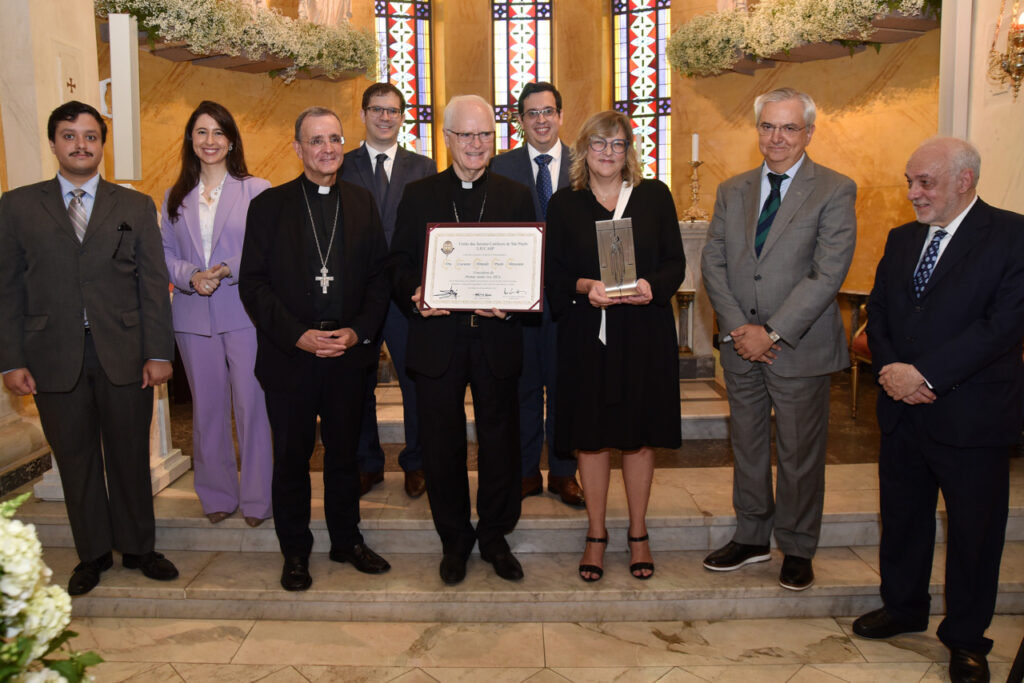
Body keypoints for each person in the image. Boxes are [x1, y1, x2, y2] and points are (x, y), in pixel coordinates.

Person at [853, 137, 1024, 683]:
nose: (912, 193)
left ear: (964, 180)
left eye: (924, 182)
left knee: (975, 534)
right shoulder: (903, 239)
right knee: (902, 519)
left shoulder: (1012, 235)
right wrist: (893, 370)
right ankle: (903, 607)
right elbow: (877, 311)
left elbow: (1002, 326)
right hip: (903, 411)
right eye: (910, 181)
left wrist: (925, 375)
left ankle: (967, 637)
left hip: (970, 414)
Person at [0, 100, 179, 595]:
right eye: (69, 135)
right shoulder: (16, 207)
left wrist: (159, 352)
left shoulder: (134, 206)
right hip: (51, 355)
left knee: (127, 456)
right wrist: (11, 359)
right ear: (54, 142)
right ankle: (93, 554)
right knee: (75, 460)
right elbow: (7, 288)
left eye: (90, 136)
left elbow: (152, 283)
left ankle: (140, 547)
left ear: (102, 144)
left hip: (123, 351)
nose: (80, 144)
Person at [700, 87, 856, 591]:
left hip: (798, 347)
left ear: (809, 132)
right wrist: (739, 330)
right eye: (768, 126)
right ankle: (751, 536)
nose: (777, 137)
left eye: (789, 127)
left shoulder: (834, 189)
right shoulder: (734, 189)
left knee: (798, 454)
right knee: (746, 446)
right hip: (741, 346)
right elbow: (714, 262)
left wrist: (772, 331)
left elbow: (826, 273)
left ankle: (796, 544)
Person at [239, 106, 392, 591]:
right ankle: (296, 551)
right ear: (298, 148)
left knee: (346, 457)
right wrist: (296, 334)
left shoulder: (362, 202)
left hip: (348, 355)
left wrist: (358, 332)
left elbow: (378, 278)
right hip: (291, 357)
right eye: (316, 140)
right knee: (291, 460)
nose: (327, 149)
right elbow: (254, 283)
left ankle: (346, 540)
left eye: (334, 139)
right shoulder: (270, 206)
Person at [390, 94, 534, 585]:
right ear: (447, 138)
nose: (476, 144)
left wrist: (514, 299)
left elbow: (528, 264)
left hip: (496, 337)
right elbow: (400, 263)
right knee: (441, 445)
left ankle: (495, 536)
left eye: (485, 135)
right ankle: (453, 540)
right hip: (438, 339)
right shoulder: (420, 194)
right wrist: (414, 293)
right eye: (466, 135)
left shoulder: (515, 195)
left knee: (501, 443)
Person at [545, 110, 684, 582]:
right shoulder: (565, 204)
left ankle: (639, 532)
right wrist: (586, 285)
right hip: (587, 333)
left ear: (630, 149)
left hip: (643, 332)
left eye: (618, 144)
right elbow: (553, 273)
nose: (608, 153)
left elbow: (675, 263)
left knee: (638, 433)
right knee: (591, 435)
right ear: (584, 149)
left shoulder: (654, 197)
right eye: (599, 144)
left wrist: (651, 284)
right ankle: (597, 533)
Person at [160, 101, 273, 527]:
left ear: (231, 141)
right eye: (201, 132)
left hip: (244, 312)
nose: (210, 141)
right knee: (206, 410)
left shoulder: (256, 189)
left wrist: (227, 268)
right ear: (191, 139)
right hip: (192, 315)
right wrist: (191, 275)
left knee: (252, 406)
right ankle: (217, 496)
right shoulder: (175, 195)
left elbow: (268, 247)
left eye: (218, 133)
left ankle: (259, 498)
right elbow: (165, 253)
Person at [490, 81, 584, 508]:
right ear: (521, 120)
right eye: (531, 113)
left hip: (571, 301)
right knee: (523, 388)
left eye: (548, 111)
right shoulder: (500, 167)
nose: (541, 120)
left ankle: (564, 473)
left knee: (567, 388)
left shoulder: (586, 165)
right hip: (518, 302)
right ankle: (527, 470)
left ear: (561, 116)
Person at [341, 83, 436, 499]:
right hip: (357, 294)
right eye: (377, 109)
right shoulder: (341, 165)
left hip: (406, 293)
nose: (385, 117)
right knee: (358, 380)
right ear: (363, 114)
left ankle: (417, 462)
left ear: (402, 117)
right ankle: (367, 463)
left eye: (393, 110)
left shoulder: (424, 167)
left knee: (416, 379)